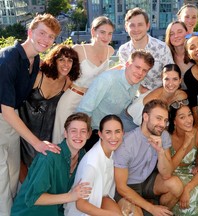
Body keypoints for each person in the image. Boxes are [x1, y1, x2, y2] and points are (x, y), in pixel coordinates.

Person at [0, 13, 61, 216]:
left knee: (14, 172)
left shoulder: (34, 62)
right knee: (1, 179)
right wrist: (37, 143)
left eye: (50, 37)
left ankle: (16, 211)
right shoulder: (8, 58)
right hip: (5, 115)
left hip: (11, 119)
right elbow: (6, 111)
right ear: (30, 32)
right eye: (41, 33)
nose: (45, 40)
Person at [11, 112, 92, 216]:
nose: (78, 135)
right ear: (66, 133)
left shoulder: (83, 156)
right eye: (73, 131)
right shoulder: (49, 157)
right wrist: (70, 196)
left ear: (88, 135)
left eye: (83, 131)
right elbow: (33, 198)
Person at [19, 44, 80, 177]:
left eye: (70, 60)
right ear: (54, 60)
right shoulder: (39, 76)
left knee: (39, 173)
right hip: (24, 132)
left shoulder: (67, 82)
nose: (66, 64)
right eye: (61, 59)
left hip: (47, 134)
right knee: (23, 172)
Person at [114, 99, 183, 216]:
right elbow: (121, 187)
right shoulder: (126, 144)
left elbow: (167, 174)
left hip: (147, 180)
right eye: (158, 118)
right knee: (135, 214)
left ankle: (161, 212)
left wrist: (160, 151)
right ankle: (148, 209)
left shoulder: (163, 135)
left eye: (165, 120)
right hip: (128, 186)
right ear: (145, 117)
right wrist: (151, 208)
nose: (162, 124)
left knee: (176, 185)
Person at [53, 16, 115, 144]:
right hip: (72, 99)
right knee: (61, 136)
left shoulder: (110, 51)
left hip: (91, 103)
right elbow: (63, 71)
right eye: (102, 32)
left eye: (110, 33)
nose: (106, 37)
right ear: (93, 31)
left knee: (82, 139)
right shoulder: (79, 50)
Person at [77, 50, 154, 150]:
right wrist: (85, 135)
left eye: (145, 70)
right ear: (127, 64)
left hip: (114, 129)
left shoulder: (135, 81)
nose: (140, 73)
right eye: (137, 67)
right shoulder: (107, 80)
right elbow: (83, 110)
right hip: (95, 132)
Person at [65, 115, 123, 216]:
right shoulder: (92, 164)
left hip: (100, 201)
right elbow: (80, 204)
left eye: (117, 131)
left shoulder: (111, 152)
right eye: (108, 132)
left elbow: (104, 194)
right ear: (100, 134)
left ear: (123, 133)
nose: (114, 137)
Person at [118, 7, 174, 93]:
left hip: (160, 94)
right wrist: (141, 90)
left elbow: (171, 76)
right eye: (132, 25)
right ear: (126, 27)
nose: (136, 29)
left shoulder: (162, 48)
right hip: (134, 97)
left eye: (140, 24)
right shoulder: (123, 50)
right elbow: (125, 77)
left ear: (148, 26)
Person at [122, 64, 187, 132]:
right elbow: (150, 127)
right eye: (167, 79)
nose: (171, 84)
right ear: (162, 79)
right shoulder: (154, 100)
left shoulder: (181, 95)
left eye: (175, 79)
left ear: (180, 80)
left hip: (147, 124)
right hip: (130, 122)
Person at [165, 21, 193, 89]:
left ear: (187, 33)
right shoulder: (166, 57)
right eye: (171, 34)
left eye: (180, 32)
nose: (176, 36)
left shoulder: (195, 54)